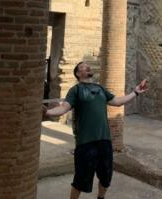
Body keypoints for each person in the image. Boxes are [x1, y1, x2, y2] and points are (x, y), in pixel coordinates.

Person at [43, 61, 149, 199]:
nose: (87, 67)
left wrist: (135, 92)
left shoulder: (100, 88)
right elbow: (64, 108)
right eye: (83, 66)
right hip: (85, 143)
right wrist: (48, 113)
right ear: (78, 73)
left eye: (88, 65)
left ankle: (101, 198)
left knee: (106, 176)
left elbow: (116, 101)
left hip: (104, 141)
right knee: (80, 180)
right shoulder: (76, 90)